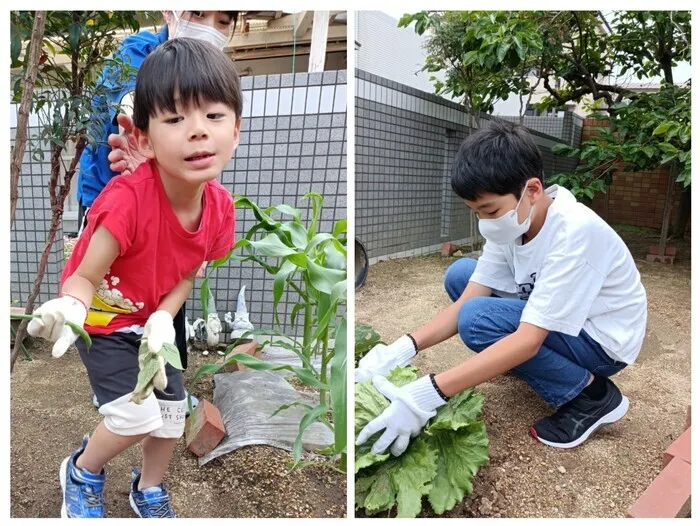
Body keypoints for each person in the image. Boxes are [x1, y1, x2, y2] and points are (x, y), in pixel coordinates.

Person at [27, 38, 242, 518]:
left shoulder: (220, 210)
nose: (197, 133)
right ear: (143, 138)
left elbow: (188, 271)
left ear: (236, 129)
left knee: (168, 418)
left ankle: (147, 487)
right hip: (103, 322)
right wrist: (72, 307)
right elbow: (84, 278)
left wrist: (165, 317)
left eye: (213, 116)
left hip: (150, 324)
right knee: (132, 417)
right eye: (175, 119)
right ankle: (82, 469)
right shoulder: (126, 202)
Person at [355, 121, 647, 456]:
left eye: (490, 210)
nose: (485, 221)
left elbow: (525, 337)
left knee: (477, 322)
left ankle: (591, 396)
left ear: (533, 190)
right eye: (476, 212)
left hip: (602, 340)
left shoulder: (574, 232)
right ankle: (532, 365)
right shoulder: (511, 223)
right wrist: (401, 349)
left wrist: (429, 394)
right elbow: (469, 295)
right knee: (462, 274)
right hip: (565, 320)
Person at [76, 11, 239, 408]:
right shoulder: (138, 60)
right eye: (199, 13)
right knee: (118, 298)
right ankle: (119, 389)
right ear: (171, 12)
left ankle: (167, 385)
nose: (210, 26)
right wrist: (150, 167)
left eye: (224, 19)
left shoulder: (213, 72)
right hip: (118, 199)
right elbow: (128, 121)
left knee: (167, 297)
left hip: (171, 197)